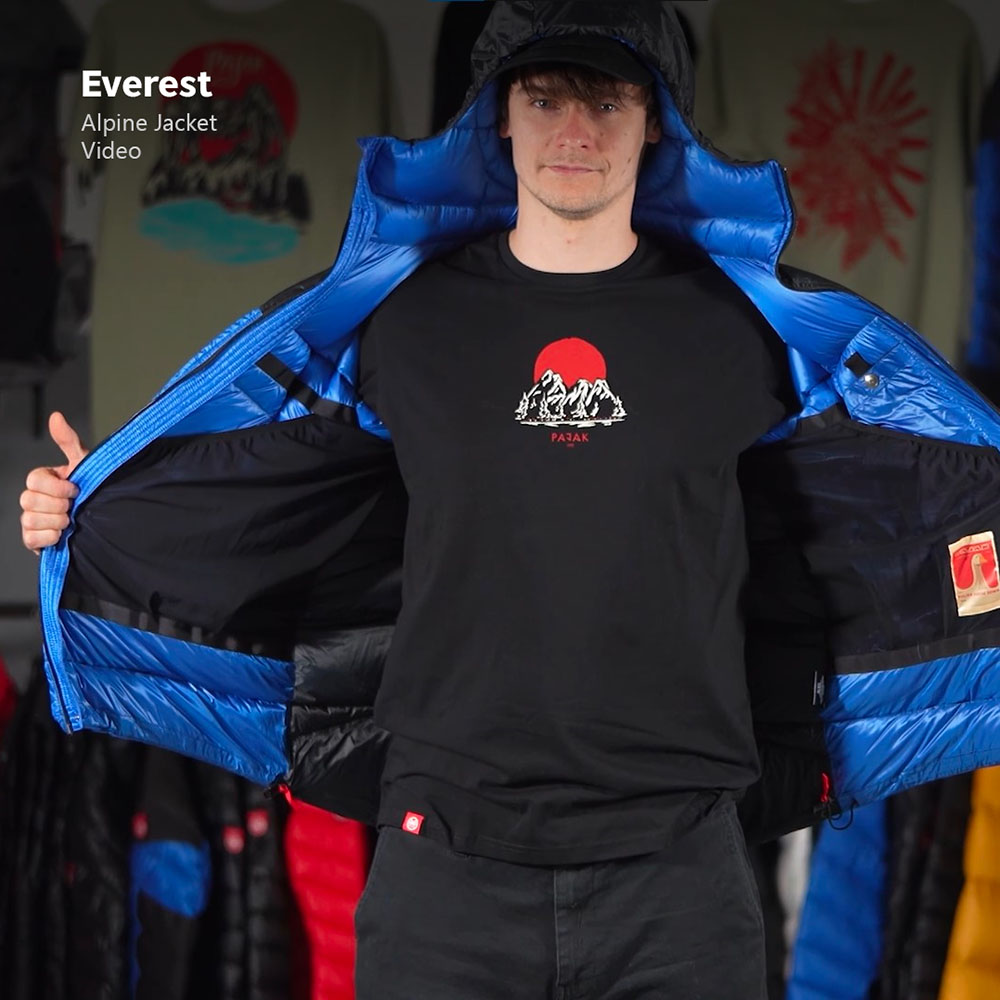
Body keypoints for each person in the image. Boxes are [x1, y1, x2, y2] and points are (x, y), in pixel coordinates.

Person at [20, 3, 1000, 997]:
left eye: (606, 102)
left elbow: (885, 502)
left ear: (655, 121)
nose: (574, 131)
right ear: (498, 114)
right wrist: (96, 508)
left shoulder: (743, 329)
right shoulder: (404, 321)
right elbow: (267, 494)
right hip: (445, 873)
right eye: (545, 99)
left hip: (680, 879)